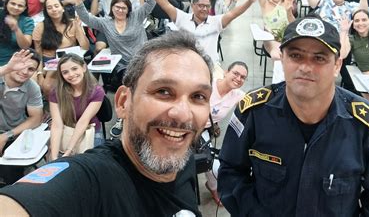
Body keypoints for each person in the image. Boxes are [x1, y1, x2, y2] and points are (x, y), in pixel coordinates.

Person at [0, 31, 214, 216]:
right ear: (123, 101)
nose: (183, 114)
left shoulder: (182, 159)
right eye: (163, 92)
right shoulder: (89, 179)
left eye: (198, 96)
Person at [217, 15, 369, 215]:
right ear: (282, 58)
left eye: (319, 58)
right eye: (296, 56)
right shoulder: (253, 112)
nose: (305, 67)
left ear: (337, 66)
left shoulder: (366, 125)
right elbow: (230, 172)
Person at [148, 0, 259, 66]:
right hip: (185, 65)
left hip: (209, 66)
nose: (204, 9)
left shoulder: (216, 22)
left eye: (207, 6)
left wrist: (249, 2)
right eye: (201, 6)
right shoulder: (183, 18)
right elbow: (165, 4)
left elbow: (233, 14)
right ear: (192, 6)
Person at [203, 61, 248, 205]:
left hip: (202, 133)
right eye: (235, 73)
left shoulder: (237, 95)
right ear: (226, 72)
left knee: (215, 167)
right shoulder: (207, 85)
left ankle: (213, 188)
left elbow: (256, 105)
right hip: (185, 127)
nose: (238, 78)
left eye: (243, 77)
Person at [48, 54, 104, 161]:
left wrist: (69, 151)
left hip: (89, 129)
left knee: (90, 164)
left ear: (83, 67)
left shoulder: (96, 91)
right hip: (67, 128)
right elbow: (57, 124)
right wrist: (54, 157)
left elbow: (83, 121)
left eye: (74, 69)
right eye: (65, 72)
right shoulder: (55, 92)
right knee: (53, 158)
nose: (71, 74)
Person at [0, 50, 43, 185]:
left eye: (31, 69)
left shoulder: (32, 88)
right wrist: (8, 68)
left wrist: (7, 135)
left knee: (10, 174)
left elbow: (36, 118)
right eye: (21, 65)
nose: (24, 71)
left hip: (12, 134)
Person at [33, 0, 90, 97]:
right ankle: (54, 107)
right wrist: (40, 74)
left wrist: (78, 28)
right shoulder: (40, 26)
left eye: (56, 6)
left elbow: (85, 47)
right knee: (46, 86)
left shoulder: (72, 23)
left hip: (68, 60)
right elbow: (38, 53)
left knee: (74, 84)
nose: (54, 10)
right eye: (49, 8)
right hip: (49, 61)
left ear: (62, 8)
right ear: (46, 11)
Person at [0, 0, 34, 66]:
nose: (16, 7)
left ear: (25, 8)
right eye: (13, 3)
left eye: (20, 6)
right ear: (6, 3)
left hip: (13, 62)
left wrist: (16, 29)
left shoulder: (27, 21)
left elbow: (25, 46)